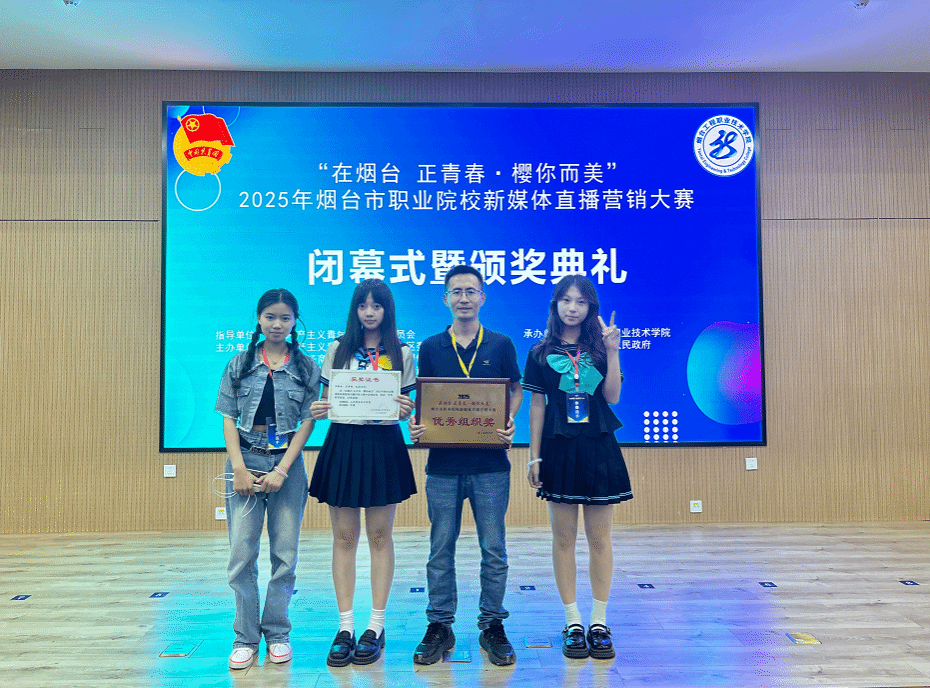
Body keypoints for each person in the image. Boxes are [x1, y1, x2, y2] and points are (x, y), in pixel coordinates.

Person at [408, 264, 523, 667]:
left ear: (482, 297)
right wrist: (418, 425)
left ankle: (492, 625)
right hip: (442, 465)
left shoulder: (501, 344)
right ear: (445, 299)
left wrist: (509, 419)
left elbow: (515, 390)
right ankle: (440, 625)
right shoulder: (430, 347)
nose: (463, 298)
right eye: (456, 291)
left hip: (491, 464)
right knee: (440, 549)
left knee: (494, 549)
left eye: (470, 291)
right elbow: (425, 400)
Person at [308, 279, 417, 667]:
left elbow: (404, 407)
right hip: (345, 444)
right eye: (363, 306)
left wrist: (405, 410)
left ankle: (375, 626)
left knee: (380, 535)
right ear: (354, 310)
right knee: (344, 537)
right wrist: (320, 409)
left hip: (383, 445)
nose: (369, 312)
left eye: (377, 306)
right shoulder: (337, 349)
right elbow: (326, 401)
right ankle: (345, 628)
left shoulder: (403, 352)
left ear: (387, 310)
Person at [523, 274, 632, 660]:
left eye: (581, 301)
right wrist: (534, 456)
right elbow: (537, 407)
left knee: (600, 539)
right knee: (564, 539)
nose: (573, 308)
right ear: (555, 305)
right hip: (558, 449)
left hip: (599, 447)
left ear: (590, 307)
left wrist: (613, 351)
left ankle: (599, 622)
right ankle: (572, 621)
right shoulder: (539, 352)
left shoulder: (601, 348)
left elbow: (613, 397)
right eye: (566, 300)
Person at [215, 288, 321, 670]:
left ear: (295, 322)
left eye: (285, 318)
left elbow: (307, 423)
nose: (277, 324)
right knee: (241, 554)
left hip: (286, 465)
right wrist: (239, 468)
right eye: (270, 317)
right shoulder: (239, 363)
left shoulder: (307, 367)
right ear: (259, 319)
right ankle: (245, 638)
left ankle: (277, 633)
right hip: (245, 460)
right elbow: (228, 418)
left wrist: (282, 470)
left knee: (285, 555)